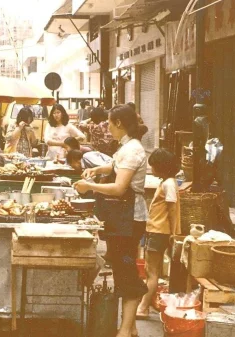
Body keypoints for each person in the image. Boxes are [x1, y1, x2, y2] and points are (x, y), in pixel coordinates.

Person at [73, 104, 148, 337]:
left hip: (129, 219)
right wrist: (96, 171)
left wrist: (90, 186)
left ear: (119, 124)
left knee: (125, 270)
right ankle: (131, 327)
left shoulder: (132, 150)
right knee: (120, 266)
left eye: (108, 123)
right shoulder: (125, 147)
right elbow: (115, 166)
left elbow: (118, 187)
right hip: (121, 218)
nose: (106, 127)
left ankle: (124, 331)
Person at [137, 148, 181, 318]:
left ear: (162, 167)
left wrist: (174, 232)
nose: (152, 169)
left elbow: (172, 209)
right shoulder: (167, 182)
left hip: (158, 231)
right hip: (157, 230)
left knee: (152, 272)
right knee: (152, 271)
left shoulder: (169, 184)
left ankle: (143, 307)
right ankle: (148, 303)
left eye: (154, 166)